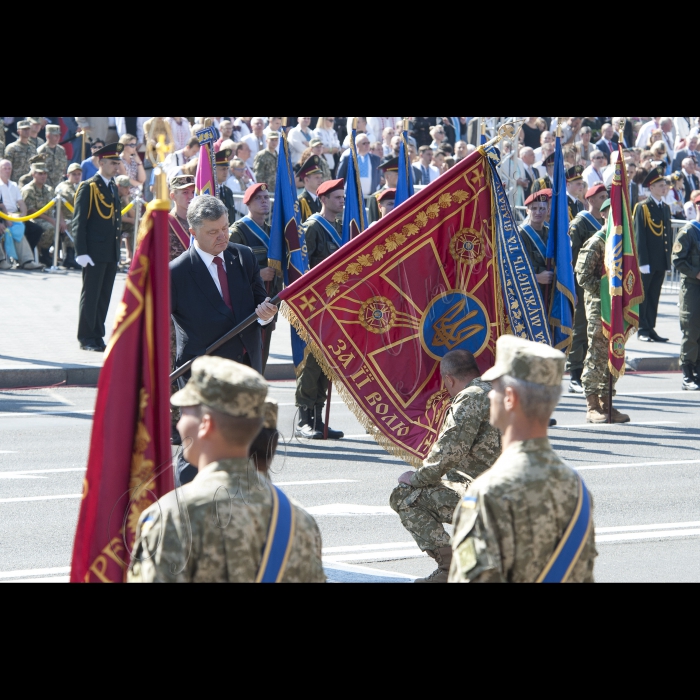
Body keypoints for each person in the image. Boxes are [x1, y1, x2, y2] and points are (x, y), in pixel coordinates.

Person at [128, 356, 326, 584]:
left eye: (185, 412)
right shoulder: (298, 521)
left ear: (206, 424)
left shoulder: (174, 516)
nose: (179, 423)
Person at [449, 335, 598, 584]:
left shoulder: (488, 492)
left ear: (510, 398)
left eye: (493, 388)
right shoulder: (577, 488)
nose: (488, 396)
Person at [390, 350, 501, 584]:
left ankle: (450, 569)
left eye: (445, 384)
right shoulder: (499, 393)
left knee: (405, 497)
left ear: (449, 379)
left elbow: (449, 453)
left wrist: (416, 478)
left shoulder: (471, 397)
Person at [295, 179, 346, 440]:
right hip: (316, 305)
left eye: (342, 196)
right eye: (337, 197)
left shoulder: (341, 227)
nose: (342, 200)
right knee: (312, 362)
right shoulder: (313, 227)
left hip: (336, 305)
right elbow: (303, 267)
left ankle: (319, 418)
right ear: (323, 199)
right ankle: (304, 419)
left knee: (328, 362)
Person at [575, 199, 630, 424]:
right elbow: (583, 276)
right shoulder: (597, 241)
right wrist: (608, 290)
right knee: (597, 353)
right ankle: (592, 405)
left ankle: (608, 404)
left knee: (614, 351)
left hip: (616, 307)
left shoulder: (622, 244)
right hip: (600, 305)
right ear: (605, 215)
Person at [72, 142, 124, 352]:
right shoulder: (89, 187)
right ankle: (86, 337)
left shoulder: (112, 186)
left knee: (104, 297)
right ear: (101, 162)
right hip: (93, 252)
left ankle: (98, 335)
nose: (116, 167)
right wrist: (81, 252)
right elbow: (79, 222)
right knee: (91, 296)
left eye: (118, 163)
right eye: (113, 162)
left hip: (110, 251)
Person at [229, 183, 281, 371]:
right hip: (247, 306)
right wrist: (259, 274)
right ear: (248, 204)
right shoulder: (238, 231)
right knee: (246, 358)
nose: (264, 201)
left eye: (266, 197)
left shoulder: (272, 232)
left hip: (269, 302)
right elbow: (228, 269)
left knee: (262, 356)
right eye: (258, 198)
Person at [567, 184, 608, 394]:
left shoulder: (606, 224)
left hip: (601, 287)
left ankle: (589, 373)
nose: (605, 200)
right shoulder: (580, 223)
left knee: (598, 332)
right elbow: (572, 258)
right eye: (601, 197)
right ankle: (574, 372)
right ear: (590, 199)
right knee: (581, 329)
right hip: (583, 285)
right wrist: (572, 288)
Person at [635, 165, 673, 343]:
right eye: (660, 185)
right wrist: (642, 261)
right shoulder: (643, 207)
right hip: (648, 260)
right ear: (651, 188)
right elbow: (640, 236)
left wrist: (668, 260)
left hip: (660, 260)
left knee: (654, 295)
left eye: (665, 184)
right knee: (644, 295)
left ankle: (651, 328)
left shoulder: (665, 208)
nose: (664, 188)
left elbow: (667, 236)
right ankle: (642, 328)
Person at [672, 192, 700, 391]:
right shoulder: (689, 231)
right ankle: (688, 374)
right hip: (692, 287)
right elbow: (677, 260)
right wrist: (696, 273)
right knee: (691, 329)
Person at [21, 162, 58, 267]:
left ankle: (63, 254)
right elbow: (31, 211)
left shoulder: (49, 189)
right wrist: (50, 220)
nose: (43, 176)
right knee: (49, 227)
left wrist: (59, 220)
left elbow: (57, 207)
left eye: (45, 173)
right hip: (33, 219)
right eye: (40, 173)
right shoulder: (28, 190)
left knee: (64, 226)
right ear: (33, 174)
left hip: (48, 218)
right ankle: (44, 254)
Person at [520, 190, 553, 296]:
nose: (538, 212)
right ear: (527, 211)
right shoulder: (520, 234)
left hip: (549, 293)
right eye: (534, 208)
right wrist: (537, 278)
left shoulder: (550, 233)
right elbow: (512, 269)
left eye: (542, 209)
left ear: (548, 211)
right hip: (528, 294)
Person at [54, 163, 83, 270]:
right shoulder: (63, 187)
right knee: (72, 227)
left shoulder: (80, 186)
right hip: (65, 218)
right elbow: (58, 206)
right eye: (74, 174)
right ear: (68, 175)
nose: (76, 176)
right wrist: (61, 220)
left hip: (77, 218)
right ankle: (69, 258)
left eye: (79, 174)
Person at [4, 121, 37, 186]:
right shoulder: (12, 148)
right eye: (24, 129)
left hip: (29, 185)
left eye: (28, 129)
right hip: (15, 184)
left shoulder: (33, 148)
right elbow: (6, 169)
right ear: (18, 131)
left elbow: (35, 166)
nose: (27, 131)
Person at [368, 156, 399, 224]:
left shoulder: (405, 194)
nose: (401, 177)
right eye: (397, 174)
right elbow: (372, 224)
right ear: (387, 176)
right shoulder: (375, 197)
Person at [37, 125, 67, 189]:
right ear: (48, 136)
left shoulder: (61, 150)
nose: (58, 137)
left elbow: (63, 168)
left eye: (59, 135)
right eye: (55, 135)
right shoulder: (41, 151)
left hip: (59, 186)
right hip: (46, 187)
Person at [297, 156, 324, 223]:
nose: (320, 180)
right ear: (306, 180)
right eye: (317, 177)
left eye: (321, 177)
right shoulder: (300, 202)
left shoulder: (322, 200)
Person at [214, 148, 236, 225]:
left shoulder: (228, 191)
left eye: (227, 168)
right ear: (214, 169)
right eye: (223, 169)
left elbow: (232, 216)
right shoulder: (209, 190)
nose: (226, 172)